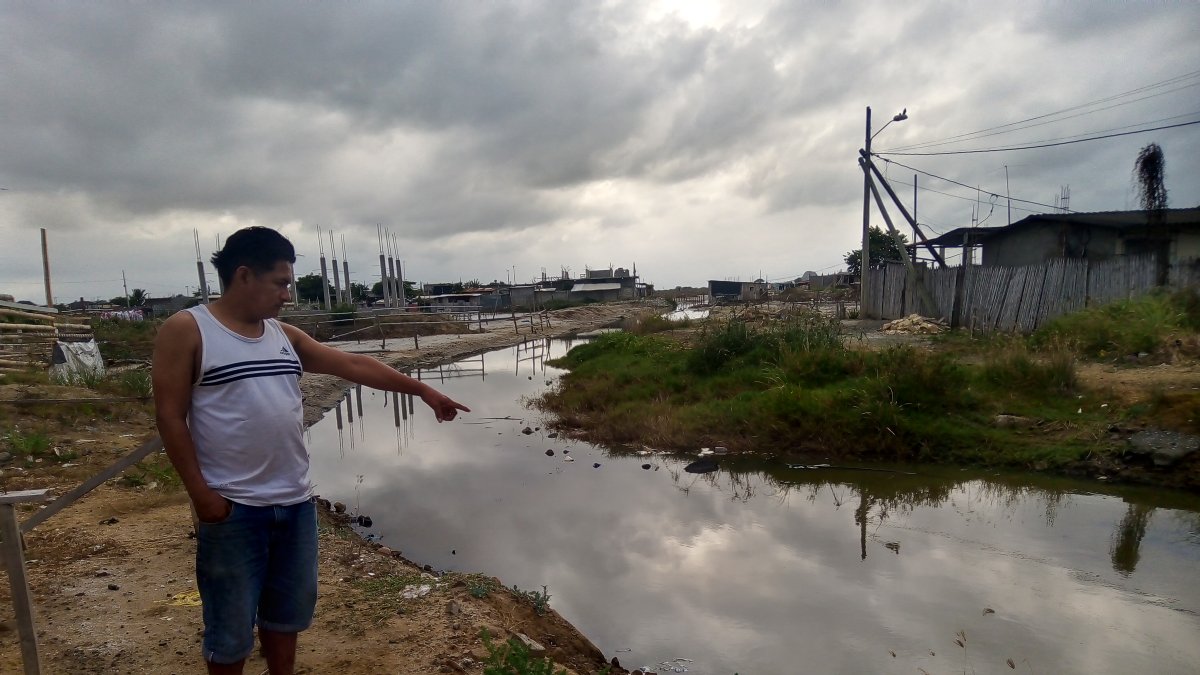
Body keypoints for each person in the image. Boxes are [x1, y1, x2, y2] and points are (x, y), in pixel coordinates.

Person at [152, 226, 468, 674]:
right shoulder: (187, 330)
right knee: (230, 628)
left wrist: (421, 390)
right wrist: (202, 496)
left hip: (296, 504)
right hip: (233, 508)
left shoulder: (283, 335)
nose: (287, 294)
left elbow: (353, 364)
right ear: (244, 275)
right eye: (280, 282)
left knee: (286, 616)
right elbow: (169, 416)